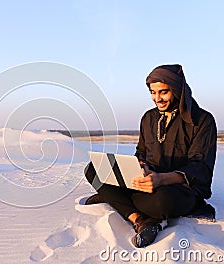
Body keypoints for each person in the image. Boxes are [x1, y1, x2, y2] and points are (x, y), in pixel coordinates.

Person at [83, 64, 217, 248]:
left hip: (178, 189)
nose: (157, 99)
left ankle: (115, 198)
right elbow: (141, 152)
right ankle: (139, 219)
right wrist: (142, 165)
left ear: (177, 90)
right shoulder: (148, 118)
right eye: (153, 93)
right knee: (93, 170)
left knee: (162, 202)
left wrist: (162, 179)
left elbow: (201, 166)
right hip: (146, 182)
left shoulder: (202, 121)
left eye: (163, 92)